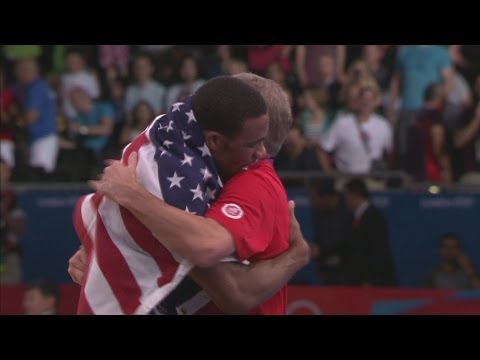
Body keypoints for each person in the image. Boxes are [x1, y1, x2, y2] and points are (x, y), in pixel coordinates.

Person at [72, 74, 309, 314]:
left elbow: (232, 287)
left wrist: (132, 197)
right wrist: (108, 246)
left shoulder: (255, 183)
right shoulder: (215, 171)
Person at [339, 177, 397, 287]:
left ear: (354, 194)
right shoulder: (352, 218)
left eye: (346, 195)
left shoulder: (374, 218)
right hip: (356, 281)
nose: (344, 200)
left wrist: (370, 279)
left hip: (374, 284)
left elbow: (377, 250)